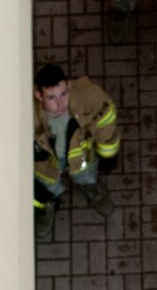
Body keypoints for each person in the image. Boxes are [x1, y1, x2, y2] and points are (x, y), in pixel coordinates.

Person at [33, 62, 120, 240]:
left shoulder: (90, 96)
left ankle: (89, 185)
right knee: (46, 183)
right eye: (51, 98)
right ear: (38, 95)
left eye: (64, 94)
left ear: (69, 85)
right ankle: (46, 203)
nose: (60, 103)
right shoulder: (26, 114)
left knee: (86, 173)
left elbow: (107, 119)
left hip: (80, 155)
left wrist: (107, 154)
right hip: (46, 164)